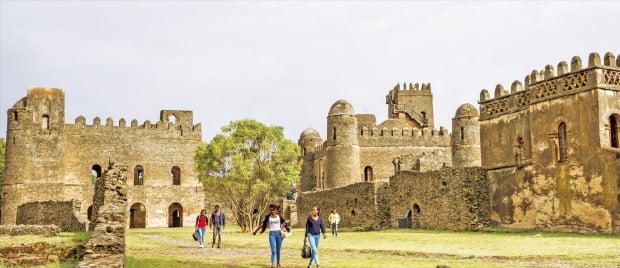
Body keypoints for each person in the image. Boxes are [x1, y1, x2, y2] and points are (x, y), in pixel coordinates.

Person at [253, 204, 287, 268]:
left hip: (279, 234)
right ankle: (272, 264)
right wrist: (256, 231)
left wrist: (285, 224)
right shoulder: (268, 217)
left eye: (273, 210)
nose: (271, 211)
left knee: (278, 250)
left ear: (275, 210)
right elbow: (262, 224)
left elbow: (284, 223)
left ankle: (278, 263)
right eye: (270, 210)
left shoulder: (279, 216)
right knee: (273, 250)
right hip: (272, 234)